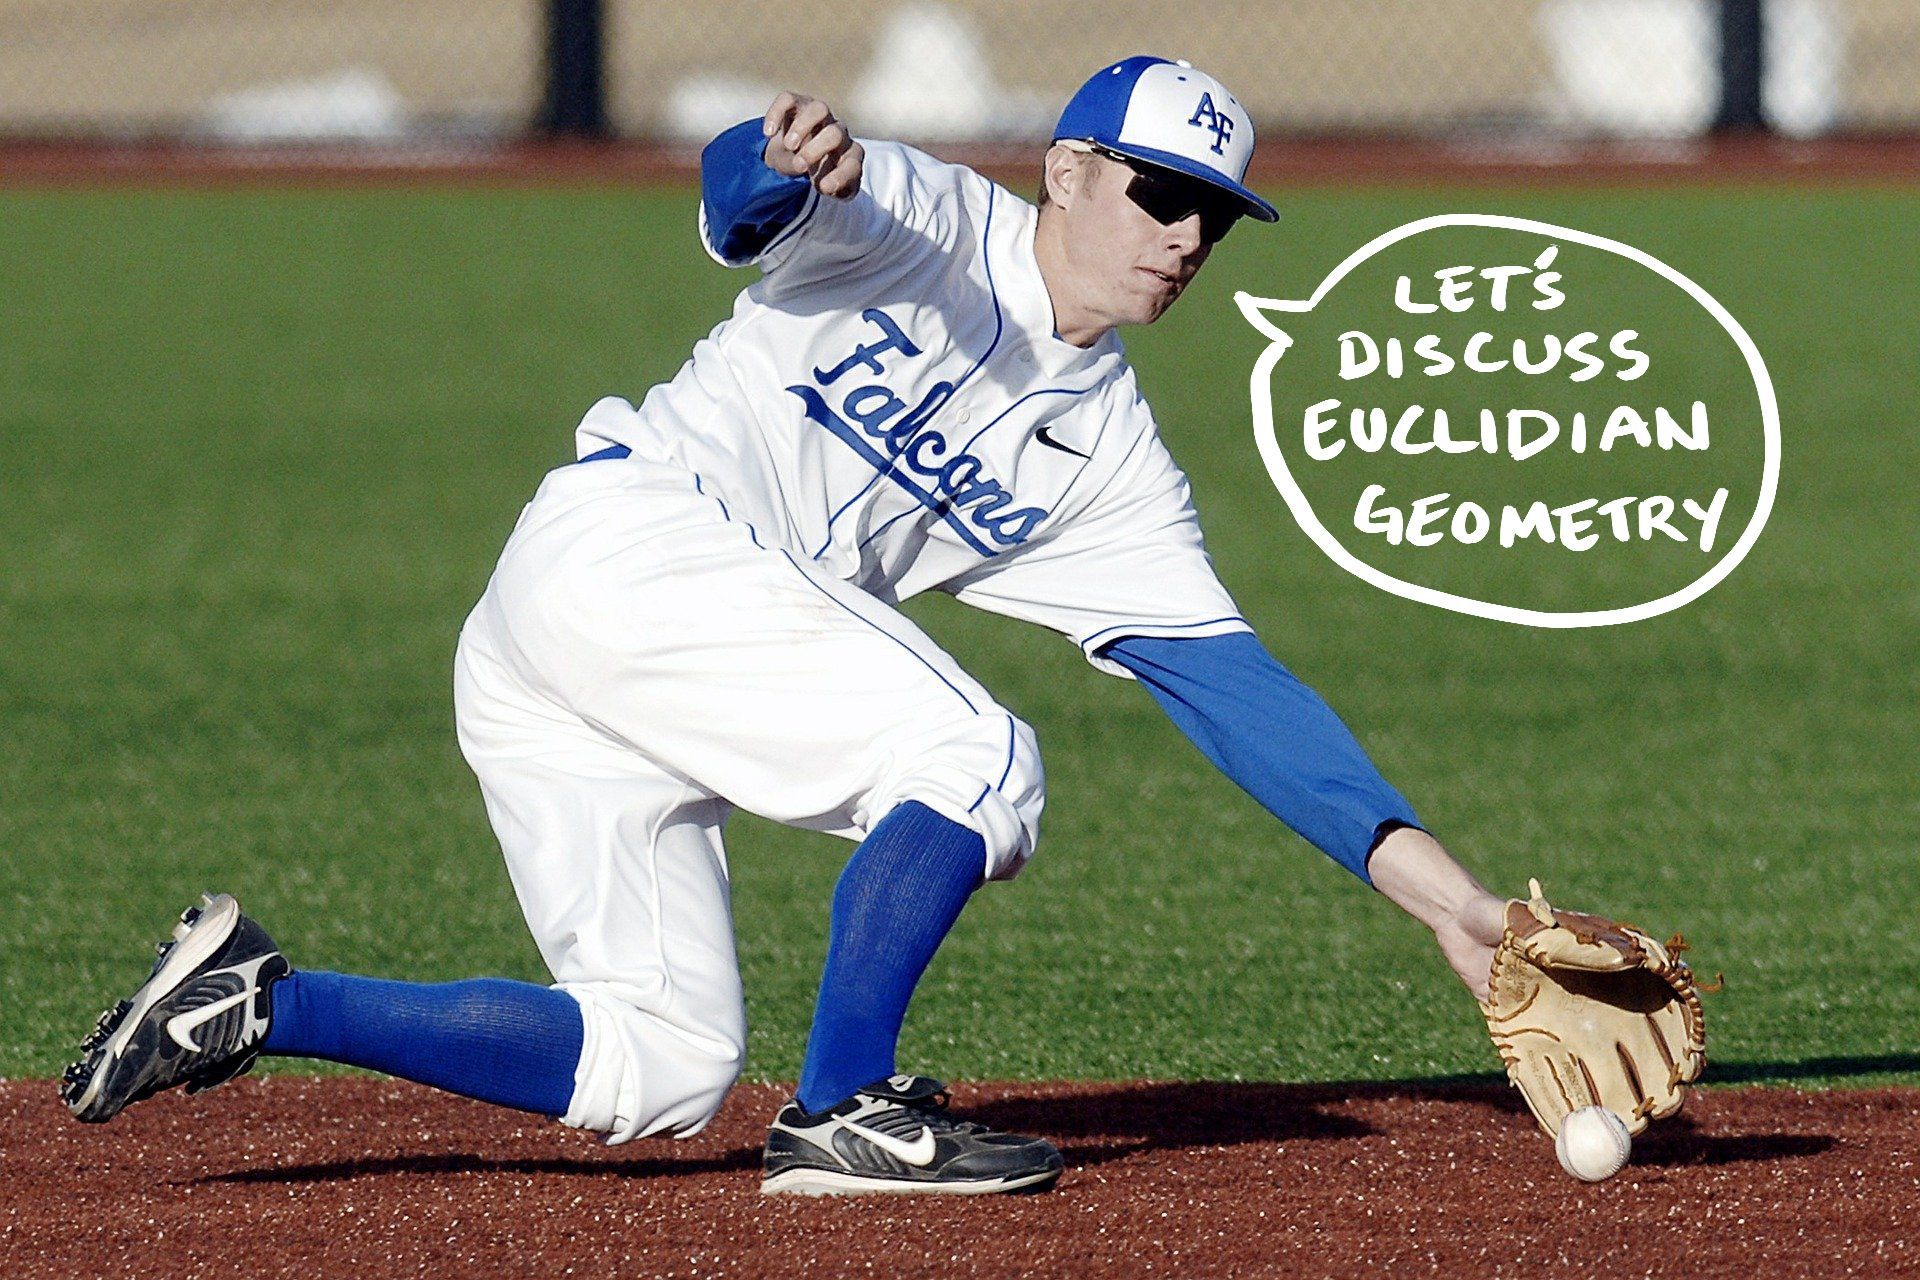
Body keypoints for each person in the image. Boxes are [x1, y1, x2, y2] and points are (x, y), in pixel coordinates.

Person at [62, 56, 1509, 1197]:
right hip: (629, 545)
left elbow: (1236, 693)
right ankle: (844, 1117)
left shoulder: (1112, 466)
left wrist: (1459, 907)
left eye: (1213, 216)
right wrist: (777, 156)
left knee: (661, 1064)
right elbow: (748, 203)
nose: (1185, 237)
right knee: (979, 761)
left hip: (604, 653)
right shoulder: (938, 221)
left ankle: (261, 1000)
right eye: (1157, 194)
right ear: (1068, 172)